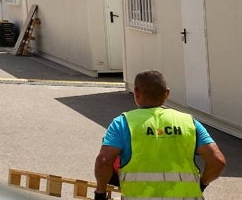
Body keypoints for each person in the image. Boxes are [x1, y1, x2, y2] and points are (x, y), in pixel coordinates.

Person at [93, 70, 226, 199]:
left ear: (137, 92)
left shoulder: (122, 123)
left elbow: (104, 161)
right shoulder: (189, 122)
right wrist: (202, 184)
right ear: (167, 93)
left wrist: (100, 192)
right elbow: (217, 161)